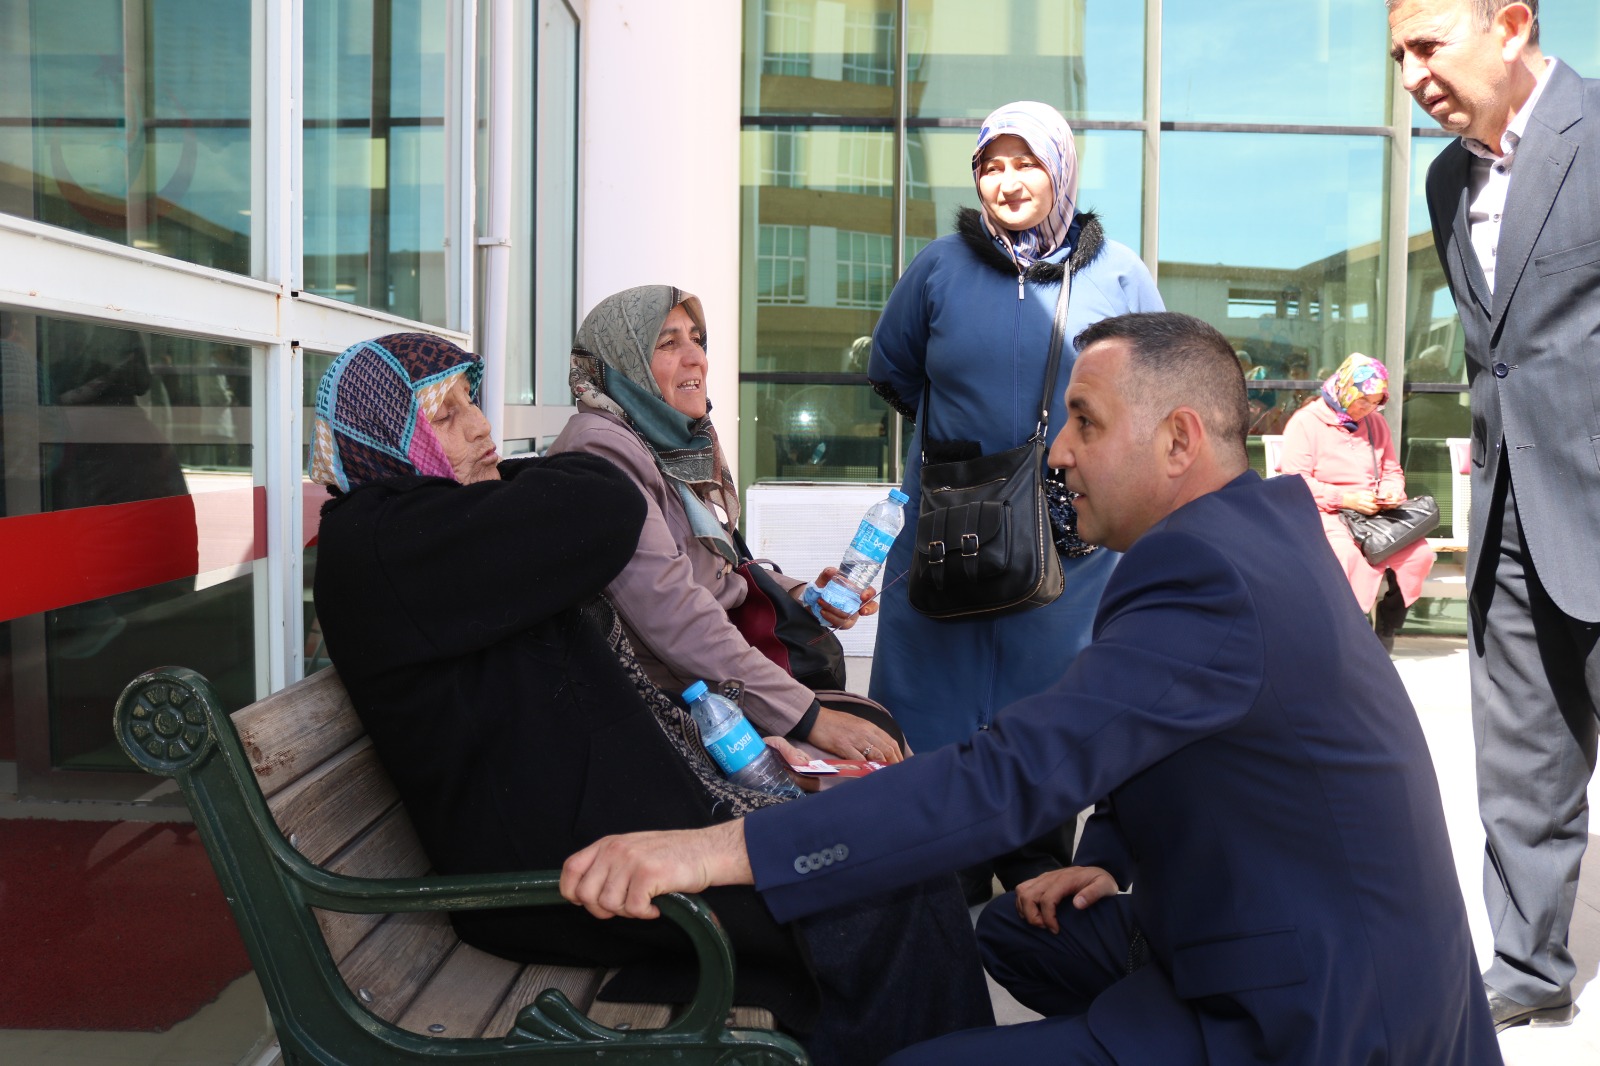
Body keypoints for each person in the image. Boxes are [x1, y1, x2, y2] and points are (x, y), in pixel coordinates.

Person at [561, 312, 1500, 1066]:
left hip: (1319, 1017)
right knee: (1016, 927)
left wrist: (722, 849)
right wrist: (1114, 855)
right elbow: (1172, 732)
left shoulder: (1207, 576)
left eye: (1085, 422)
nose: (1056, 454)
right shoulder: (1248, 534)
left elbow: (1007, 779)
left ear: (1179, 441)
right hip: (1316, 941)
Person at [309, 333, 989, 1064]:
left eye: (471, 403)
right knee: (889, 885)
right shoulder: (385, 543)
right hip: (569, 878)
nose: (480, 427)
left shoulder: (423, 533)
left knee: (891, 848)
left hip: (615, 836)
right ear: (381, 439)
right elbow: (602, 503)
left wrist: (740, 754)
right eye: (446, 416)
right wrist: (596, 434)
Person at [865, 100, 1163, 899]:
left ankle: (1034, 877)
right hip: (951, 529)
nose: (1008, 181)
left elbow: (1151, 389)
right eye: (991, 166)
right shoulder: (938, 268)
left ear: (1061, 169)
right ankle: (940, 885)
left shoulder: (1119, 274)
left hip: (1068, 540)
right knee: (931, 720)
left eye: (1026, 162)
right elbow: (893, 370)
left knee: (1050, 708)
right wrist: (973, 458)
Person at [1391, 0, 1600, 1031]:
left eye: (1427, 45)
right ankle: (1526, 966)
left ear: (1510, 26)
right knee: (1521, 761)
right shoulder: (1447, 179)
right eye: (1397, 55)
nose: (1410, 75)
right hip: (1507, 519)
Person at [548, 285, 905, 766]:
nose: (696, 357)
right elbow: (673, 615)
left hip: (723, 680)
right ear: (620, 362)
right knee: (877, 768)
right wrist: (808, 718)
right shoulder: (601, 451)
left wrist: (805, 596)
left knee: (886, 743)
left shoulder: (664, 440)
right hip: (682, 706)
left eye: (696, 339)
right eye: (668, 342)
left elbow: (717, 564)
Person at [1277, 353, 1434, 650]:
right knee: (1346, 556)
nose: (1368, 409)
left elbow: (1391, 471)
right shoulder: (1306, 422)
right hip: (1325, 512)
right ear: (1346, 389)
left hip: (1373, 513)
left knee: (1419, 555)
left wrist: (1391, 493)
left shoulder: (1375, 423)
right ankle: (1353, 634)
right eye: (1363, 400)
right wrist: (1345, 498)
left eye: (1376, 402)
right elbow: (1295, 482)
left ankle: (1387, 625)